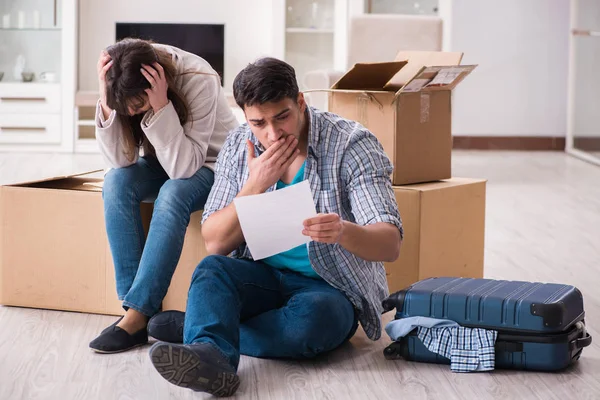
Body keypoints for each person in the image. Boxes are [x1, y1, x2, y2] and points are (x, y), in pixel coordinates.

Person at [146, 57, 403, 397]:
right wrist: (254, 186)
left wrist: (343, 231)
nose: (272, 133)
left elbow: (390, 244)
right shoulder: (239, 145)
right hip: (261, 277)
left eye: (282, 116)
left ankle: (208, 332)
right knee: (212, 270)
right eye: (258, 122)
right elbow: (215, 243)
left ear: (300, 102)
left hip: (327, 288)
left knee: (312, 324)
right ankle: (212, 350)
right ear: (245, 117)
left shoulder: (352, 145)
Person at [89, 38, 239, 353]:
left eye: (137, 107)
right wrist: (106, 99)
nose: (132, 114)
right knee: (116, 182)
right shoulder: (123, 84)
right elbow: (120, 162)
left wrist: (160, 107)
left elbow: (185, 168)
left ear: (159, 83)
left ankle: (137, 316)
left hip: (212, 165)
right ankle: (134, 312)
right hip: (165, 160)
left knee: (172, 193)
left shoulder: (199, 77)